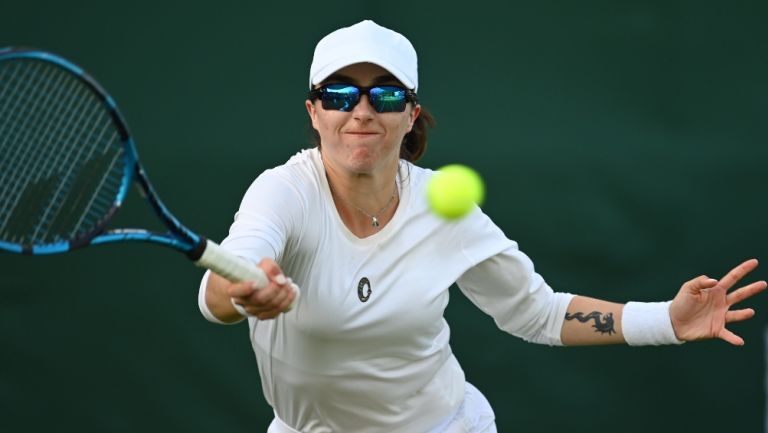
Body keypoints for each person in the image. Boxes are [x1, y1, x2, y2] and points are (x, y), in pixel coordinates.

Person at [197, 20, 766, 433]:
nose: (362, 111)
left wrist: (667, 319)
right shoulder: (285, 190)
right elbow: (225, 282)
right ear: (314, 111)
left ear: (410, 114)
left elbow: (536, 312)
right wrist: (246, 289)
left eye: (387, 95)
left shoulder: (445, 208)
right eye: (341, 94)